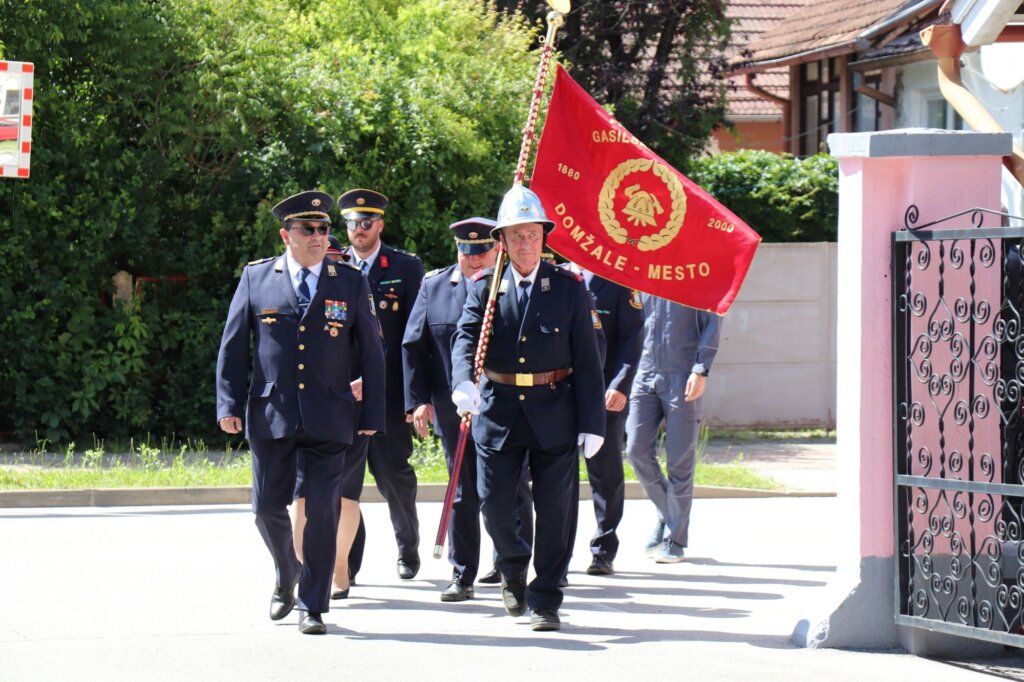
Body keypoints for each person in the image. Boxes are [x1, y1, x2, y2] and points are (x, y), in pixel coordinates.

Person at [216, 190, 386, 634]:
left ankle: (313, 604)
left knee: (323, 512)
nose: (318, 236)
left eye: (324, 229)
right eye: (307, 229)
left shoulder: (348, 280)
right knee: (265, 509)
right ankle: (287, 570)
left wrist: (372, 415)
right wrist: (228, 404)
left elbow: (372, 351)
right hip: (272, 413)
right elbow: (234, 347)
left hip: (330, 414)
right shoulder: (257, 278)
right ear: (285, 235)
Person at [451, 185, 605, 632]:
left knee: (555, 514)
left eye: (532, 234)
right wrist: (463, 381)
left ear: (544, 237)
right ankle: (513, 566)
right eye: (516, 235)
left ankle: (546, 598)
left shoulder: (567, 288)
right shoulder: (486, 287)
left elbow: (588, 358)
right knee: (495, 507)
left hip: (554, 410)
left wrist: (592, 421)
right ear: (501, 240)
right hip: (498, 411)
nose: (525, 243)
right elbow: (465, 336)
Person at [402, 218, 532, 602]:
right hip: (451, 406)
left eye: (483, 252)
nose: (474, 261)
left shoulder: (516, 286)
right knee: (462, 491)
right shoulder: (434, 285)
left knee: (510, 489)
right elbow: (414, 345)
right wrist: (418, 400)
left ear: (498, 251)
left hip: (505, 405)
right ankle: (462, 574)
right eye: (466, 252)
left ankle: (513, 565)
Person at [338, 188, 426, 580]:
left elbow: (415, 339)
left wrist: (415, 398)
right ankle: (347, 562)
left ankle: (408, 547)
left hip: (388, 397)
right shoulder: (333, 264)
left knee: (394, 477)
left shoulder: (405, 268)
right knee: (344, 485)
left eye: (367, 222)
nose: (360, 229)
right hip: (343, 396)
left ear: (380, 225)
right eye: (354, 223)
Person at [290, 233, 370, 600]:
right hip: (307, 410)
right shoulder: (300, 292)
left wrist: (365, 383)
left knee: (346, 493)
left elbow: (374, 348)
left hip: (348, 409)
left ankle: (339, 565)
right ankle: (305, 569)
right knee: (304, 493)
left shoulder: (352, 290)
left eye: (337, 258)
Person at [625, 295, 721, 563]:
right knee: (635, 449)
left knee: (680, 459)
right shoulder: (644, 274)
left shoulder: (692, 275)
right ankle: (668, 514)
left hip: (682, 375)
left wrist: (701, 369)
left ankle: (674, 539)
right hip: (644, 373)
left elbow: (714, 318)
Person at [573, 268, 643, 576]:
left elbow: (632, 338)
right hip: (561, 393)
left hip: (605, 393)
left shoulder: (619, 281)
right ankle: (555, 555)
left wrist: (621, 384)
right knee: (555, 475)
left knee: (606, 474)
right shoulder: (555, 276)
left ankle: (603, 547)